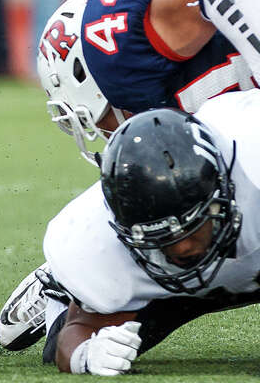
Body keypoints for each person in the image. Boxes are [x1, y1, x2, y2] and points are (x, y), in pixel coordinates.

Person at [0, 0, 260, 351]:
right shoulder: (167, 119)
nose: (102, 133)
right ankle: (71, 287)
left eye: (89, 119)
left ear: (88, 83)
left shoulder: (117, 56)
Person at [32, 97, 260, 375]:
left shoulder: (252, 156)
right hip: (172, 290)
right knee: (76, 346)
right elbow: (77, 332)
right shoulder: (99, 237)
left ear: (223, 190)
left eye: (192, 226)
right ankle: (61, 287)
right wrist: (86, 355)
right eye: (163, 239)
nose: (183, 249)